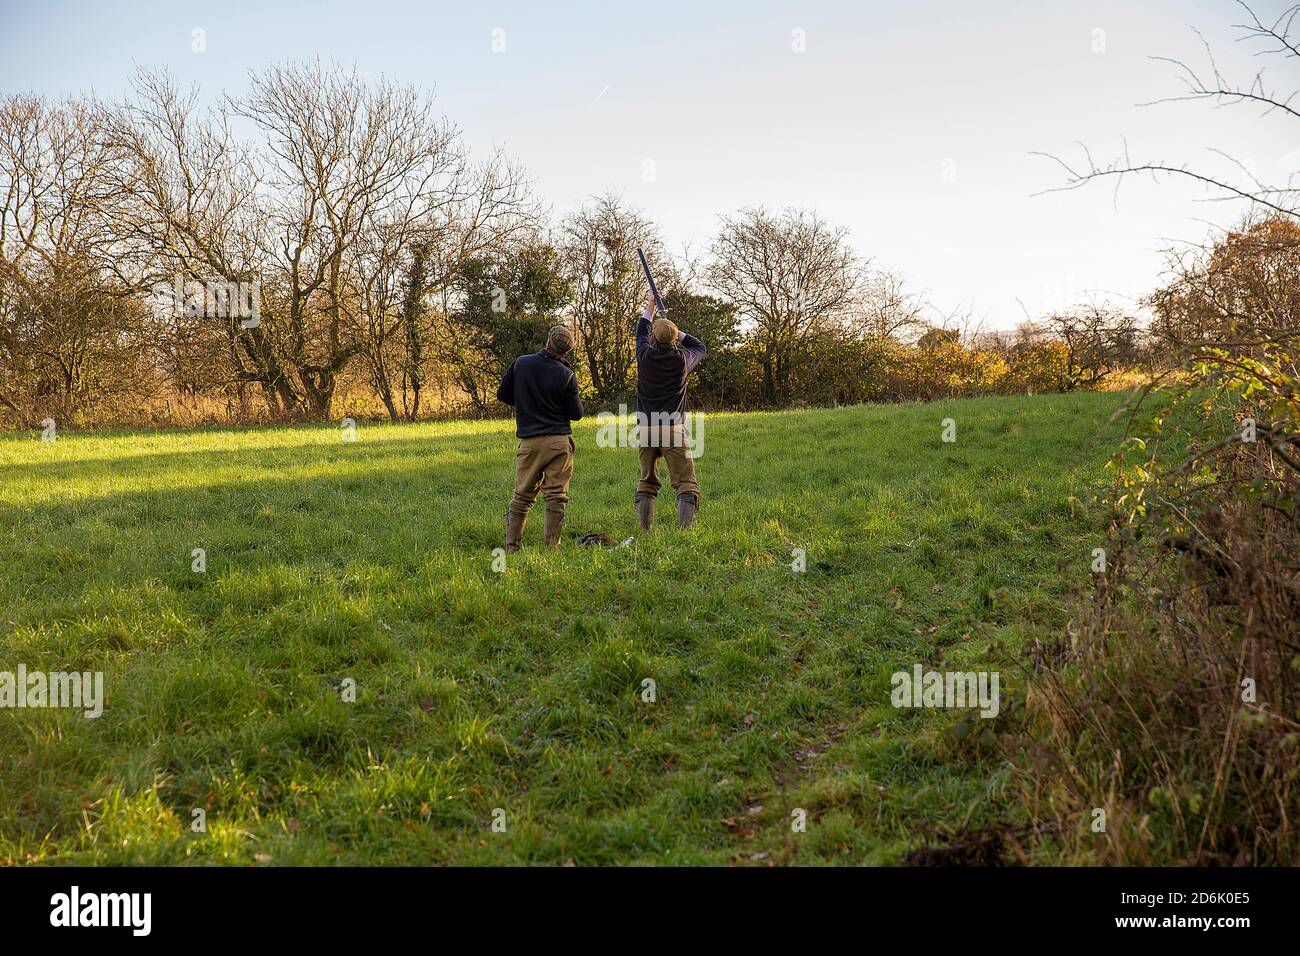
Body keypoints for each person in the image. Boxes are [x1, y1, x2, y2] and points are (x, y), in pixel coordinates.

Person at [496, 325, 583, 550]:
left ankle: (511, 547)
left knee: (522, 496)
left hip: (530, 443)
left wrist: (528, 402)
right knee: (556, 497)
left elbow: (503, 395)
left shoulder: (521, 363)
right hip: (559, 443)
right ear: (566, 351)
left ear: (548, 341)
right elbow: (576, 414)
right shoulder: (567, 374)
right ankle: (552, 547)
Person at [634, 289, 707, 529]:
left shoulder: (644, 357)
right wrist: (677, 332)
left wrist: (650, 307)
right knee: (685, 482)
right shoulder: (682, 360)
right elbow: (700, 346)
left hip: (645, 429)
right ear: (674, 339)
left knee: (647, 481)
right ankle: (684, 532)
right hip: (673, 428)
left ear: (653, 339)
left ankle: (645, 531)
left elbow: (641, 331)